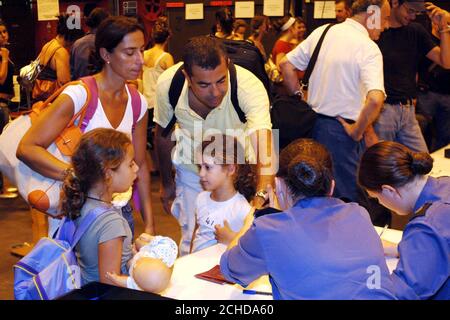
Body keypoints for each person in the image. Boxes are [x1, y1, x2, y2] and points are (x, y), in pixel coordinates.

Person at [17, 16, 154, 244]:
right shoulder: (79, 95)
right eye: (130, 53)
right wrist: (77, 174)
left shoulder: (137, 102)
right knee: (81, 280)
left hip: (120, 215)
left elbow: (140, 166)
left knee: (114, 279)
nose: (140, 60)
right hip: (78, 215)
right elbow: (27, 148)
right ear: (105, 55)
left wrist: (149, 224)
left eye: (142, 50)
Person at [220, 139, 396, 300]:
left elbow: (230, 269)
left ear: (279, 184)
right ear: (332, 186)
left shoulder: (269, 230)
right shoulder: (358, 213)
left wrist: (255, 216)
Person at [154, 36, 274, 255]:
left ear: (227, 66)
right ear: (187, 77)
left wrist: (261, 194)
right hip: (194, 171)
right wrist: (166, 183)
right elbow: (163, 135)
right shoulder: (168, 85)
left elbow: (264, 144)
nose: (216, 92)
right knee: (192, 236)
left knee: (240, 237)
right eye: (204, 84)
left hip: (237, 171)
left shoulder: (248, 87)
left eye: (221, 80)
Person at [279, 0, 390, 211]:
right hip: (341, 134)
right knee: (346, 201)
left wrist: (300, 96)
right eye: (384, 19)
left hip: (311, 126)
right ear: (371, 15)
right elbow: (375, 98)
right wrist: (357, 131)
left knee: (314, 195)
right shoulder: (368, 48)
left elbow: (286, 64)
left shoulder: (324, 32)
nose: (385, 26)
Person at [358, 141, 449, 299]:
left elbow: (403, 293)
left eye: (377, 197)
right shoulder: (444, 183)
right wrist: (402, 248)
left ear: (388, 190)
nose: (380, 203)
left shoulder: (426, 226)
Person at [60, 128, 137, 285]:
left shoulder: (81, 203)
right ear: (108, 173)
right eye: (130, 164)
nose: (136, 168)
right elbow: (109, 283)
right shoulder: (111, 223)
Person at [373, 0, 450, 153]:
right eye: (410, 11)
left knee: (423, 163)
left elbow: (446, 62)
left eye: (416, 12)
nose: (413, 16)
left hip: (407, 110)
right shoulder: (377, 31)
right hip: (383, 109)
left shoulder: (416, 31)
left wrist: (443, 28)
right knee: (381, 164)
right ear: (395, 3)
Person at [191, 134, 254, 253]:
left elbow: (252, 251)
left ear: (230, 169)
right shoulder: (201, 198)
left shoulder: (243, 210)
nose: (201, 173)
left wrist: (232, 238)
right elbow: (196, 237)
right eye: (200, 167)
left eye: (208, 167)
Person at [141, 16, 174, 174]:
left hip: (145, 100)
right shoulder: (166, 57)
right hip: (159, 102)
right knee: (163, 136)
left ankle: (153, 165)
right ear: (168, 37)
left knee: (148, 137)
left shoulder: (144, 54)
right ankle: (164, 166)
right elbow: (171, 82)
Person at [416, 16, 450, 152]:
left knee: (445, 136)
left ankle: (438, 167)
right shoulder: (425, 37)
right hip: (426, 92)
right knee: (422, 130)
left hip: (447, 93)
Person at [32, 14, 83, 102]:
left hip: (41, 98)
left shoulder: (48, 45)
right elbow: (64, 83)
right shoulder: (61, 52)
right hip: (53, 100)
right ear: (71, 35)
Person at [106, 233, 178, 293]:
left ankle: (133, 256)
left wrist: (115, 278)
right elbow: (167, 243)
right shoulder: (161, 253)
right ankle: (135, 252)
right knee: (138, 241)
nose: (135, 265)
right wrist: (151, 238)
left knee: (129, 263)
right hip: (146, 250)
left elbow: (128, 282)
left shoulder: (140, 284)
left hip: (137, 257)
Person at [0, 19, 17, 199]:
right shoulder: (2, 54)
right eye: (0, 33)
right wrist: (4, 58)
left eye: (5, 31)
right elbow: (1, 79)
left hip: (5, 104)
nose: (3, 35)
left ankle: (1, 187)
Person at [70, 7, 110, 80]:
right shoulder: (107, 43)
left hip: (79, 86)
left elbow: (72, 71)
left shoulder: (77, 44)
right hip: (101, 87)